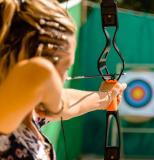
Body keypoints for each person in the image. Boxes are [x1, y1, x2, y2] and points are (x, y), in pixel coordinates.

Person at [0, 0, 127, 159]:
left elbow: (68, 103)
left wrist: (106, 98)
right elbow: (40, 73)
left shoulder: (29, 110)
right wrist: (57, 105)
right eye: (65, 67)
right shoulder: (5, 113)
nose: (66, 76)